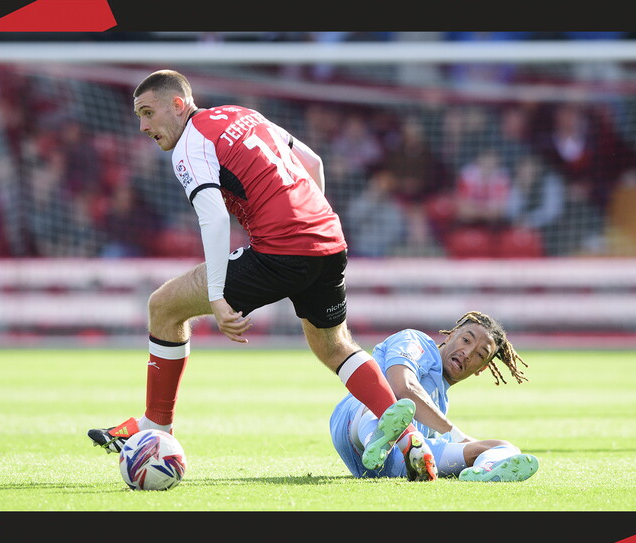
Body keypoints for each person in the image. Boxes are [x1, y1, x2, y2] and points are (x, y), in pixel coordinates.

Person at [88, 69, 437, 481]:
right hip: (328, 238)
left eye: (147, 113)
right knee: (333, 345)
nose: (143, 126)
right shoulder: (243, 113)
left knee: (163, 306)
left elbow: (214, 220)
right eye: (138, 117)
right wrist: (309, 225)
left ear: (178, 105)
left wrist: (218, 298)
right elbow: (313, 162)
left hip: (281, 248)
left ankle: (156, 429)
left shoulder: (190, 144)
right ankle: (410, 438)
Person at [330, 311, 540, 482]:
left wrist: (464, 443)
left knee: (506, 448)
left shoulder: (440, 403)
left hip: (397, 463)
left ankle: (486, 468)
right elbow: (403, 385)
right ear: (451, 335)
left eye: (479, 355)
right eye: (466, 340)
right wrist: (456, 434)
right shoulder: (416, 341)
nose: (467, 353)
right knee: (386, 401)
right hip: (354, 425)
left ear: (481, 369)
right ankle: (376, 440)